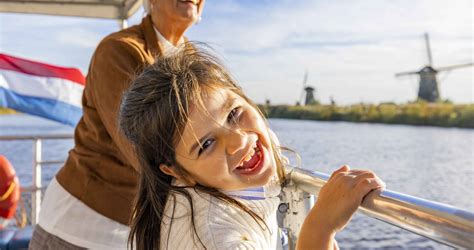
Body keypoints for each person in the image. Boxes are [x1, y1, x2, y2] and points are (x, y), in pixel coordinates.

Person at [119, 46, 385, 250]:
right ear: (175, 170)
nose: (239, 141)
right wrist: (319, 229)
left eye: (233, 113)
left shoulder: (238, 158)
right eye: (207, 144)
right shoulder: (219, 240)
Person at [29, 0, 211, 249]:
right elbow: (144, 150)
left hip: (134, 230)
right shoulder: (117, 51)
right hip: (78, 224)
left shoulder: (195, 60)